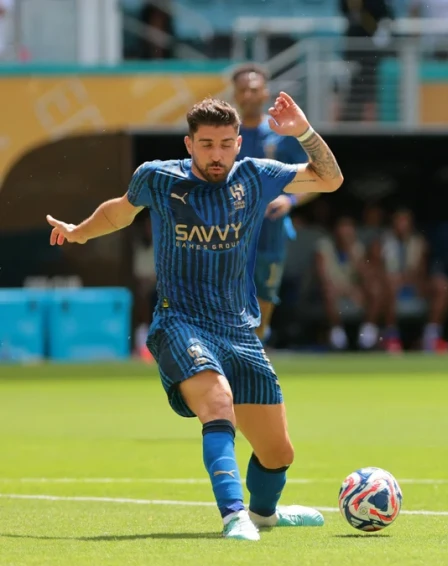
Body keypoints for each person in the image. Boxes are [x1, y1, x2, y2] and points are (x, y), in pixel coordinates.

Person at [46, 93, 344, 541]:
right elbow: (119, 212)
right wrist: (80, 232)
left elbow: (330, 179)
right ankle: (234, 515)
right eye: (206, 144)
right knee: (218, 404)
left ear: (239, 143)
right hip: (179, 322)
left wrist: (302, 130)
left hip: (238, 329)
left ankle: (265, 513)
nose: (216, 154)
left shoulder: (256, 176)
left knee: (278, 453)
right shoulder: (159, 178)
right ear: (189, 144)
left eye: (225, 144)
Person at [232, 63, 312, 343]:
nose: (248, 95)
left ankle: (256, 358)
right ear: (235, 95)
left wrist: (289, 199)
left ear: (265, 93)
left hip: (270, 232)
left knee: (263, 302)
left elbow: (317, 178)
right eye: (242, 90)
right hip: (230, 233)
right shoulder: (226, 137)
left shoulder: (282, 134)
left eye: (253, 89)